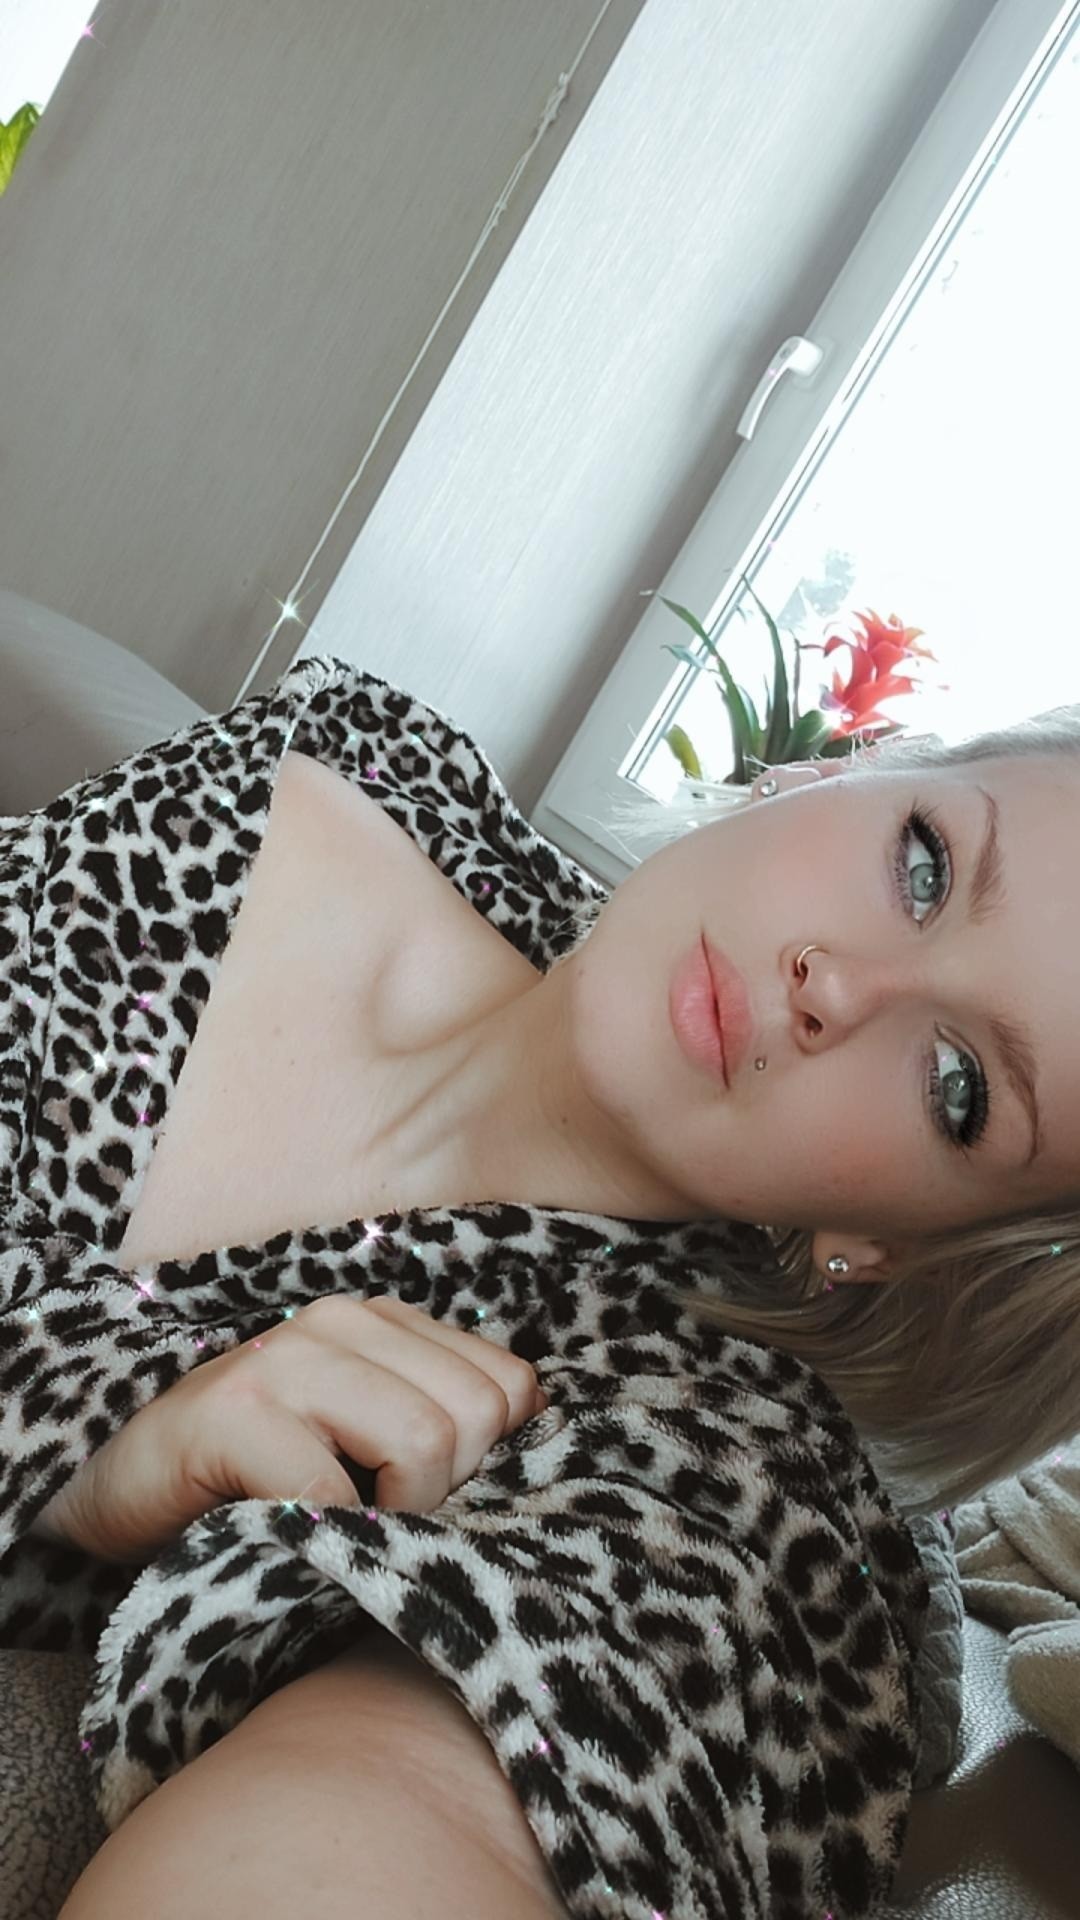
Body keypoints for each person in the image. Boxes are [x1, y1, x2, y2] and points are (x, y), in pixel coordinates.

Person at [3, 653, 1076, 1919]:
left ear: (894, 1244)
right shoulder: (366, 758)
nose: (838, 987)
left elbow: (465, 1789)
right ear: (841, 770)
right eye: (925, 867)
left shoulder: (721, 1478)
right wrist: (69, 1411)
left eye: (959, 1088)